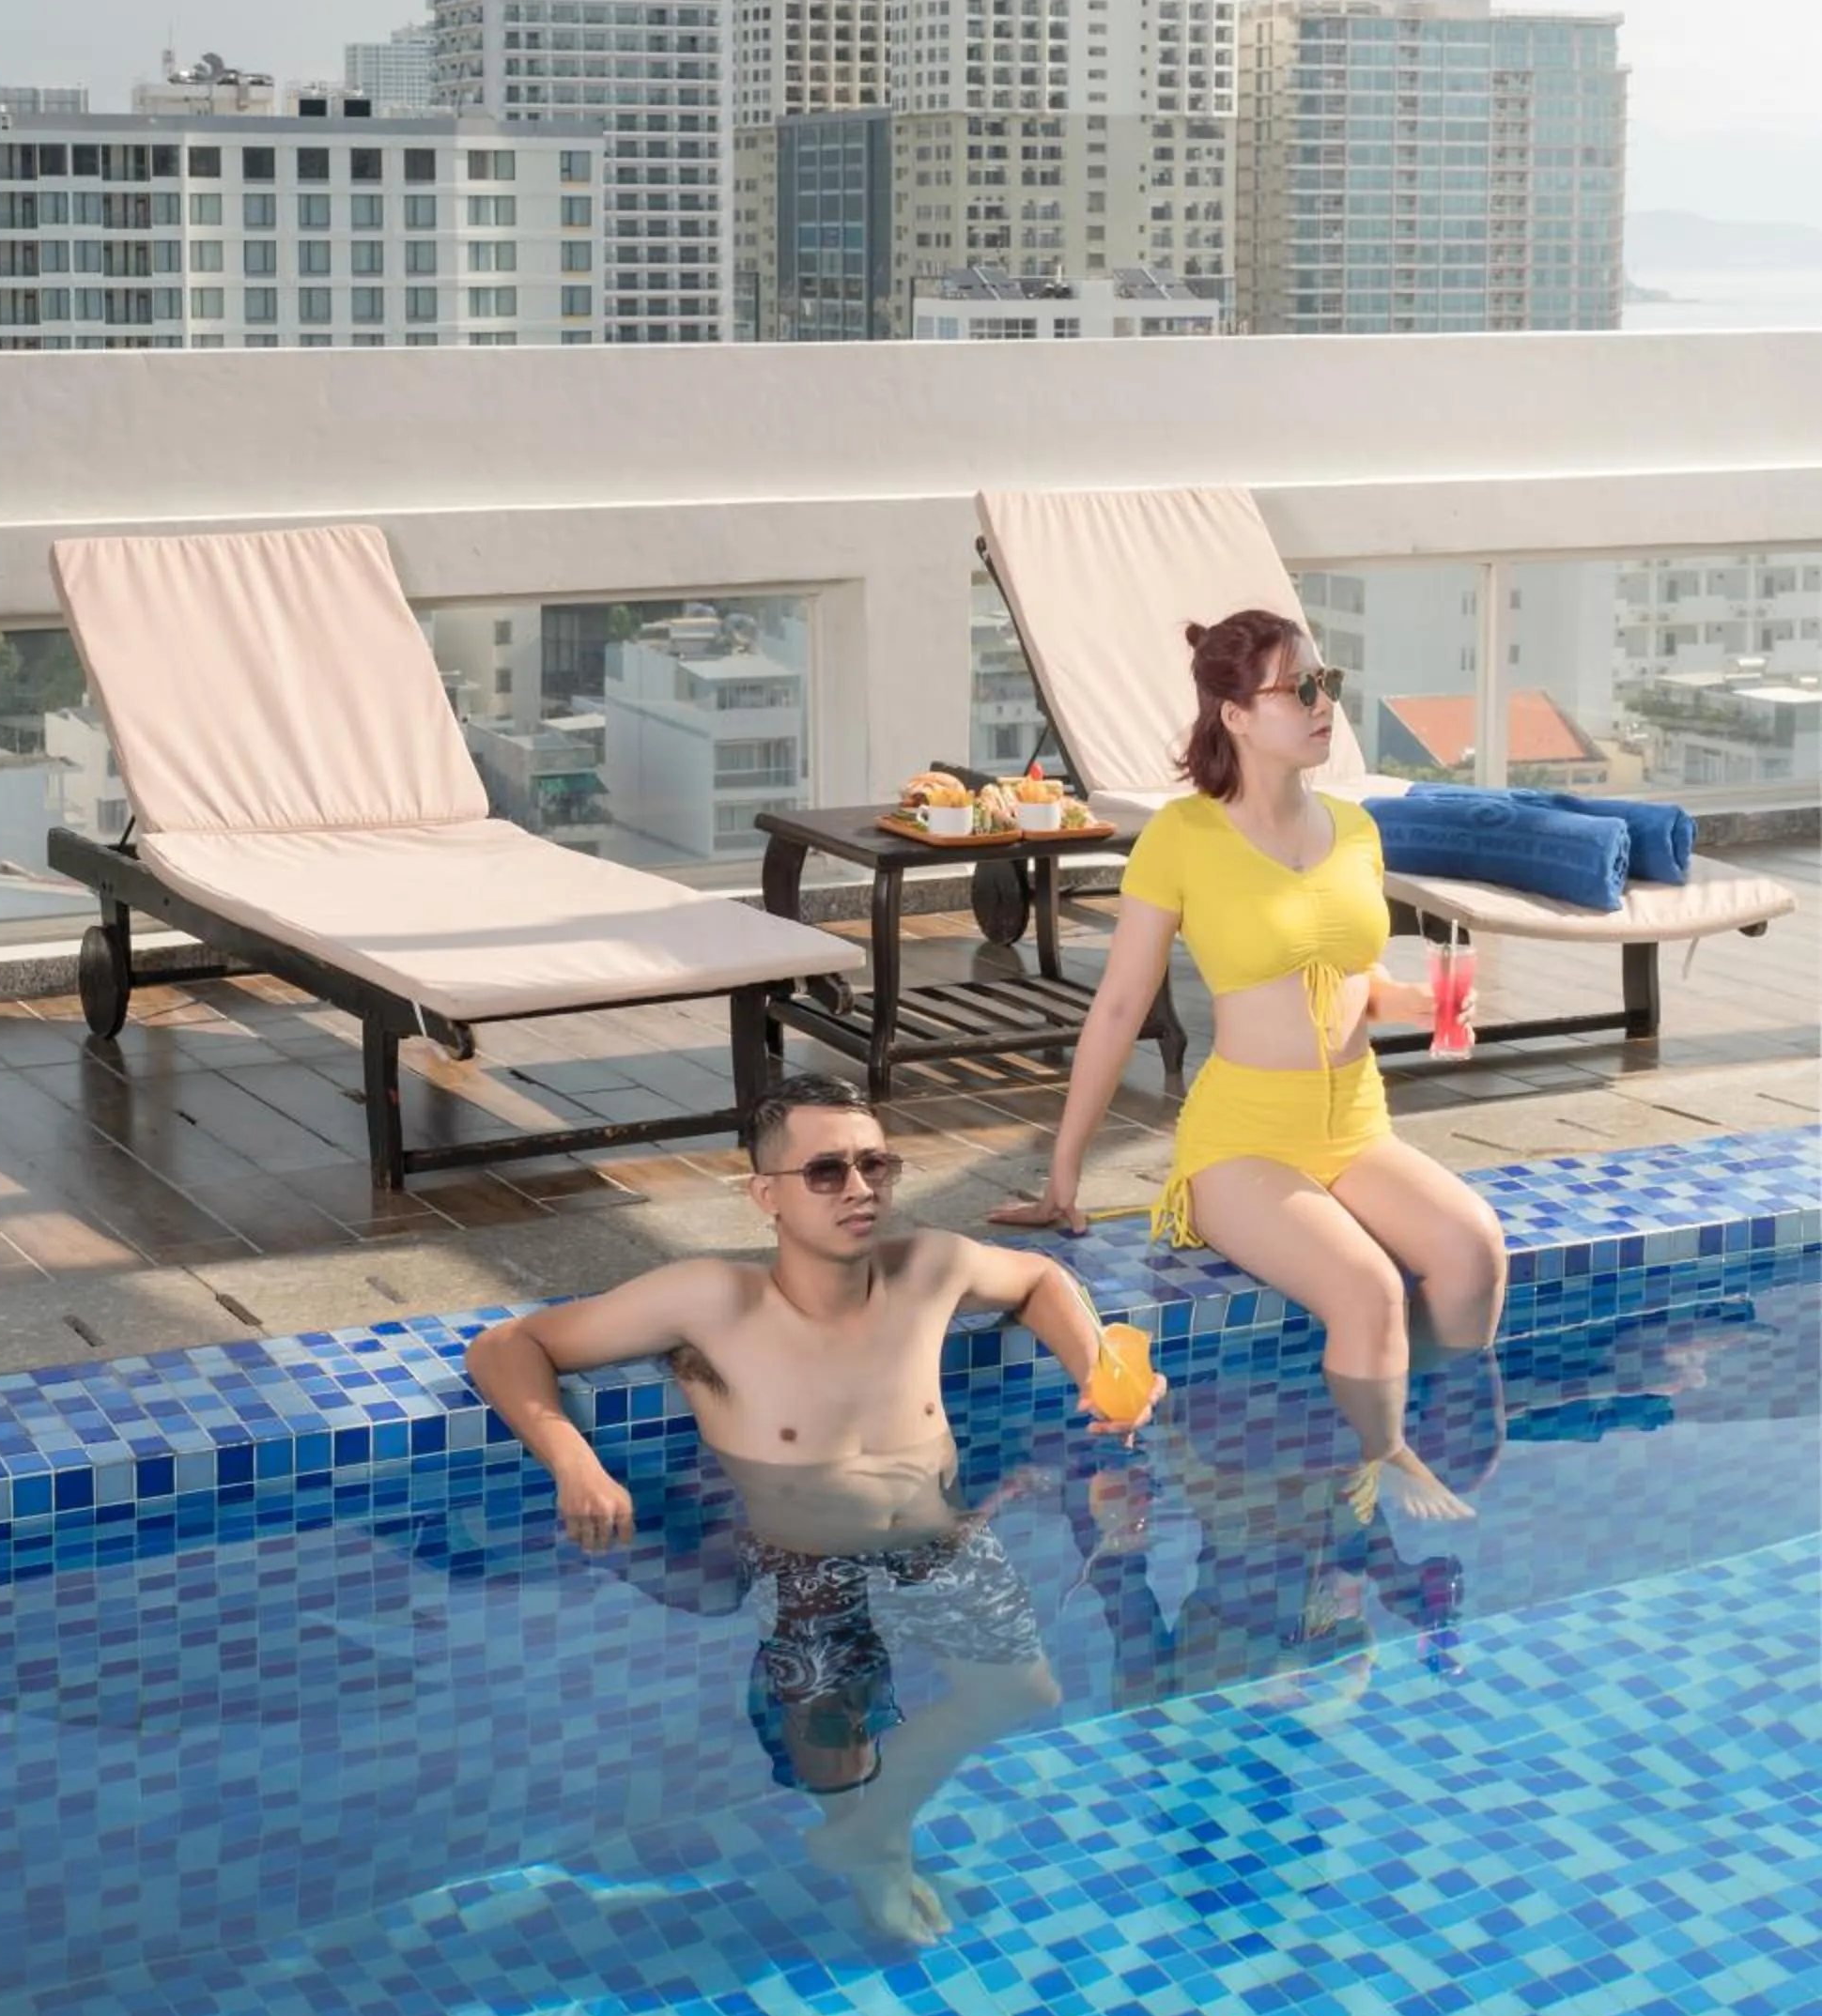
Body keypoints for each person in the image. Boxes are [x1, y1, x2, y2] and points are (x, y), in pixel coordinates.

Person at [466, 1072, 1163, 1947]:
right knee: (830, 1735)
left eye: (876, 1165)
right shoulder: (712, 1303)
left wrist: (1098, 1369)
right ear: (767, 1195)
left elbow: (1040, 1279)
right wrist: (575, 1460)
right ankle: (877, 1855)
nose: (861, 1188)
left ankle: (864, 1834)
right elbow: (507, 1345)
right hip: (803, 1560)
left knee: (1020, 1690)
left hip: (938, 1547)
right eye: (827, 1172)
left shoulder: (930, 1269)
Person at [992, 607, 1505, 1522]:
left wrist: (1438, 1007)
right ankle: (1380, 1460)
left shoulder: (1354, 829)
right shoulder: (1182, 837)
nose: (1322, 705)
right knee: (1367, 1289)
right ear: (1233, 714)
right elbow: (1118, 1008)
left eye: (1326, 684)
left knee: (1472, 1252)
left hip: (1354, 1125)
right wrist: (1063, 1168)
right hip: (1242, 1145)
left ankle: (1412, 1408)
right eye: (1297, 688)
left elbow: (1361, 985)